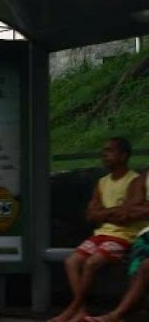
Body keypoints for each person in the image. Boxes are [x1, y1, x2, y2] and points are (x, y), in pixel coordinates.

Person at [50, 137, 139, 322]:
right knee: (72, 261)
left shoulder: (134, 181)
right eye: (103, 151)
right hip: (102, 234)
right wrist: (112, 212)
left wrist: (104, 213)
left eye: (109, 151)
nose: (104, 155)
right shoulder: (102, 182)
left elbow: (127, 215)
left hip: (123, 236)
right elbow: (91, 215)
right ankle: (81, 309)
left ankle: (72, 307)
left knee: (92, 263)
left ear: (123, 155)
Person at [83, 169, 149, 322]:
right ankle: (128, 312)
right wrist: (139, 209)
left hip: (126, 235)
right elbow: (126, 211)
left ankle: (117, 315)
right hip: (145, 235)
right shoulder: (141, 180)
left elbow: (132, 210)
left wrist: (141, 207)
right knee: (138, 266)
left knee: (145, 266)